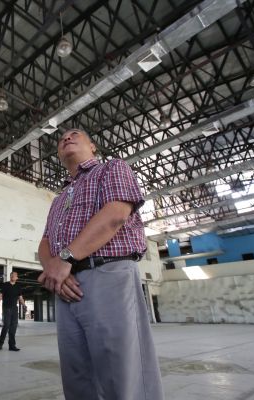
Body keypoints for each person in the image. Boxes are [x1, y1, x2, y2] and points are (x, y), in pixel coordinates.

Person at [37, 128, 163, 400]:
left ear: (93, 146)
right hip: (66, 285)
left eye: (74, 134)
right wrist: (54, 268)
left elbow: (115, 214)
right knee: (77, 377)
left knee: (122, 375)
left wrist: (67, 258)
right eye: (61, 139)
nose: (66, 138)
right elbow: (45, 242)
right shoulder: (60, 198)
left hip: (108, 273)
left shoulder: (111, 169)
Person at [0, 271, 24, 351]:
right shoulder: (5, 285)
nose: (12, 276)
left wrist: (24, 305)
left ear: (17, 278)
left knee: (13, 327)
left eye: (14, 275)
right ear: (10, 277)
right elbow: (0, 296)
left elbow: (20, 297)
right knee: (6, 325)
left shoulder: (18, 286)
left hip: (14, 308)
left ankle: (12, 346)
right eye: (11, 275)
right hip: (6, 308)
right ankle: (0, 342)